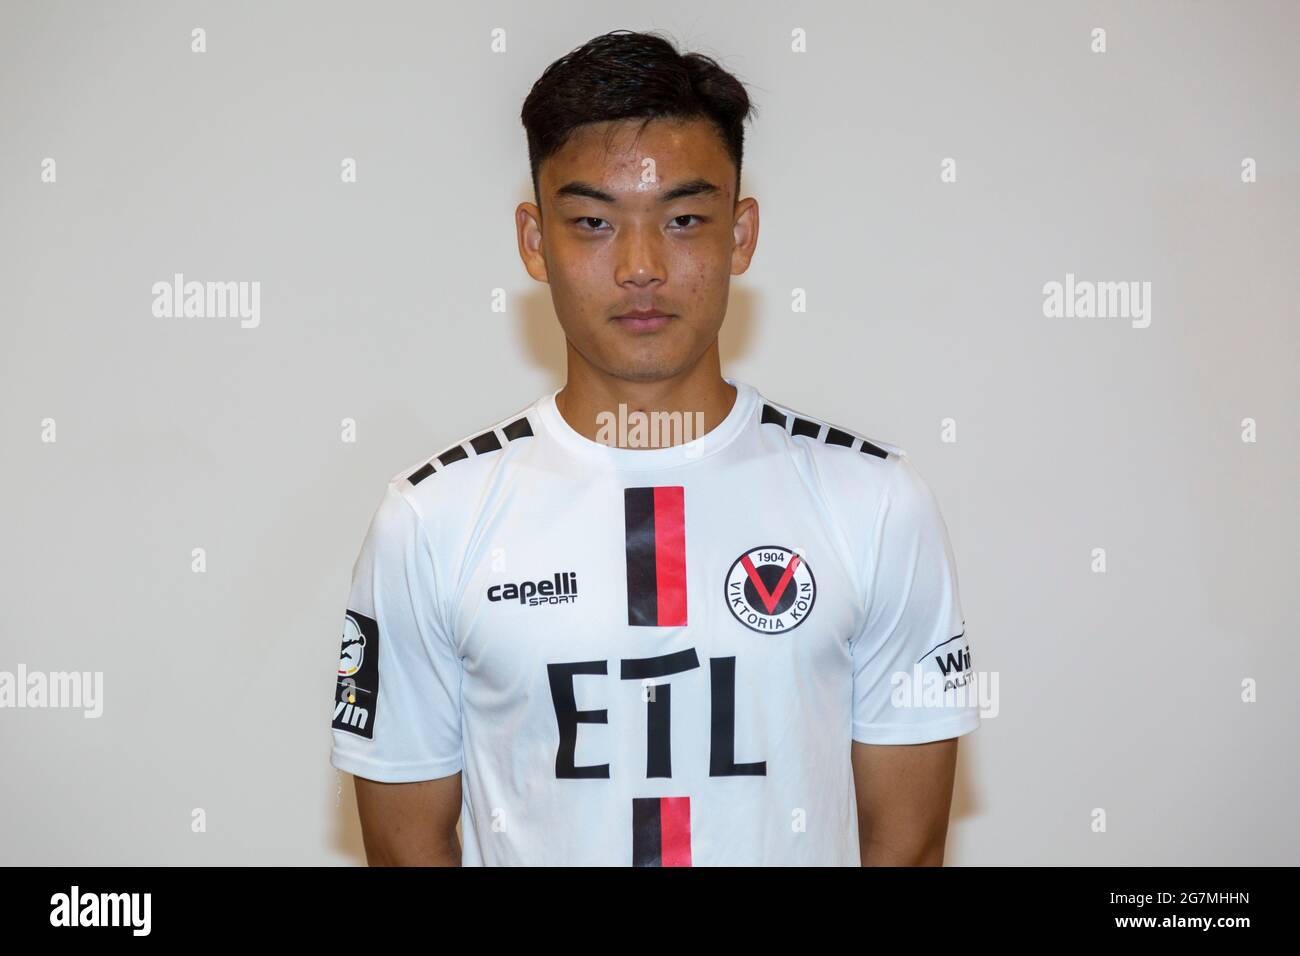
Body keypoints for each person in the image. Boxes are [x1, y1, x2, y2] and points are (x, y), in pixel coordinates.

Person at [330, 29, 979, 866]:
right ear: (535, 242)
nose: (641, 266)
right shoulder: (430, 520)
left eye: (682, 220)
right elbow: (404, 850)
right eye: (594, 222)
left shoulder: (876, 503)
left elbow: (910, 848)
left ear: (740, 235)